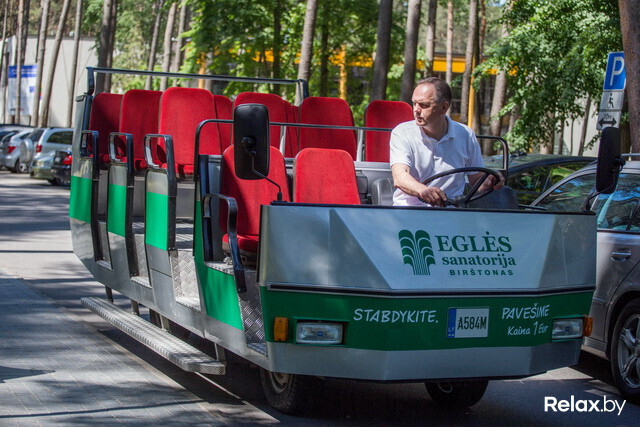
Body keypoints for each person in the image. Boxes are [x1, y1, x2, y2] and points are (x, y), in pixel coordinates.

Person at [390, 77, 504, 207]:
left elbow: (477, 181)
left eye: (423, 105)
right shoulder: (402, 132)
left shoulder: (466, 134)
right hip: (408, 213)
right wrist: (423, 191)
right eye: (414, 103)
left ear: (444, 107)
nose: (416, 110)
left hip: (451, 212)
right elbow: (399, 177)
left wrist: (490, 181)